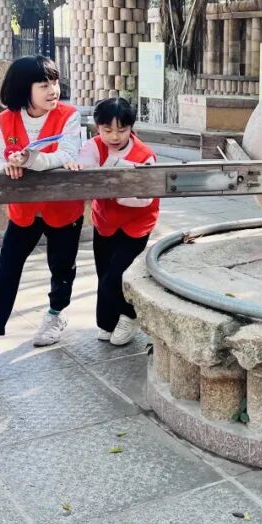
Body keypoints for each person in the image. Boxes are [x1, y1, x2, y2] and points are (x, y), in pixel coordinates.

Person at [0, 56, 84, 374]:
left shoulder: (69, 115)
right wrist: (8, 165)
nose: (53, 90)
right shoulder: (6, 120)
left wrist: (30, 160)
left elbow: (67, 155)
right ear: (23, 88)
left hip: (63, 208)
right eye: (44, 85)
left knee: (62, 266)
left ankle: (55, 314)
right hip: (24, 211)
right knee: (5, 270)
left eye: (55, 82)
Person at [77, 97, 159, 346]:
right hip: (104, 221)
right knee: (103, 273)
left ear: (131, 128)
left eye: (121, 130)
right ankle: (107, 322)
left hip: (137, 224)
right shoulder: (92, 146)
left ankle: (130, 316)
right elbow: (85, 178)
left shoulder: (145, 155)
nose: (114, 136)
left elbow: (143, 199)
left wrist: (110, 185)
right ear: (97, 127)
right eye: (107, 130)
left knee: (116, 276)